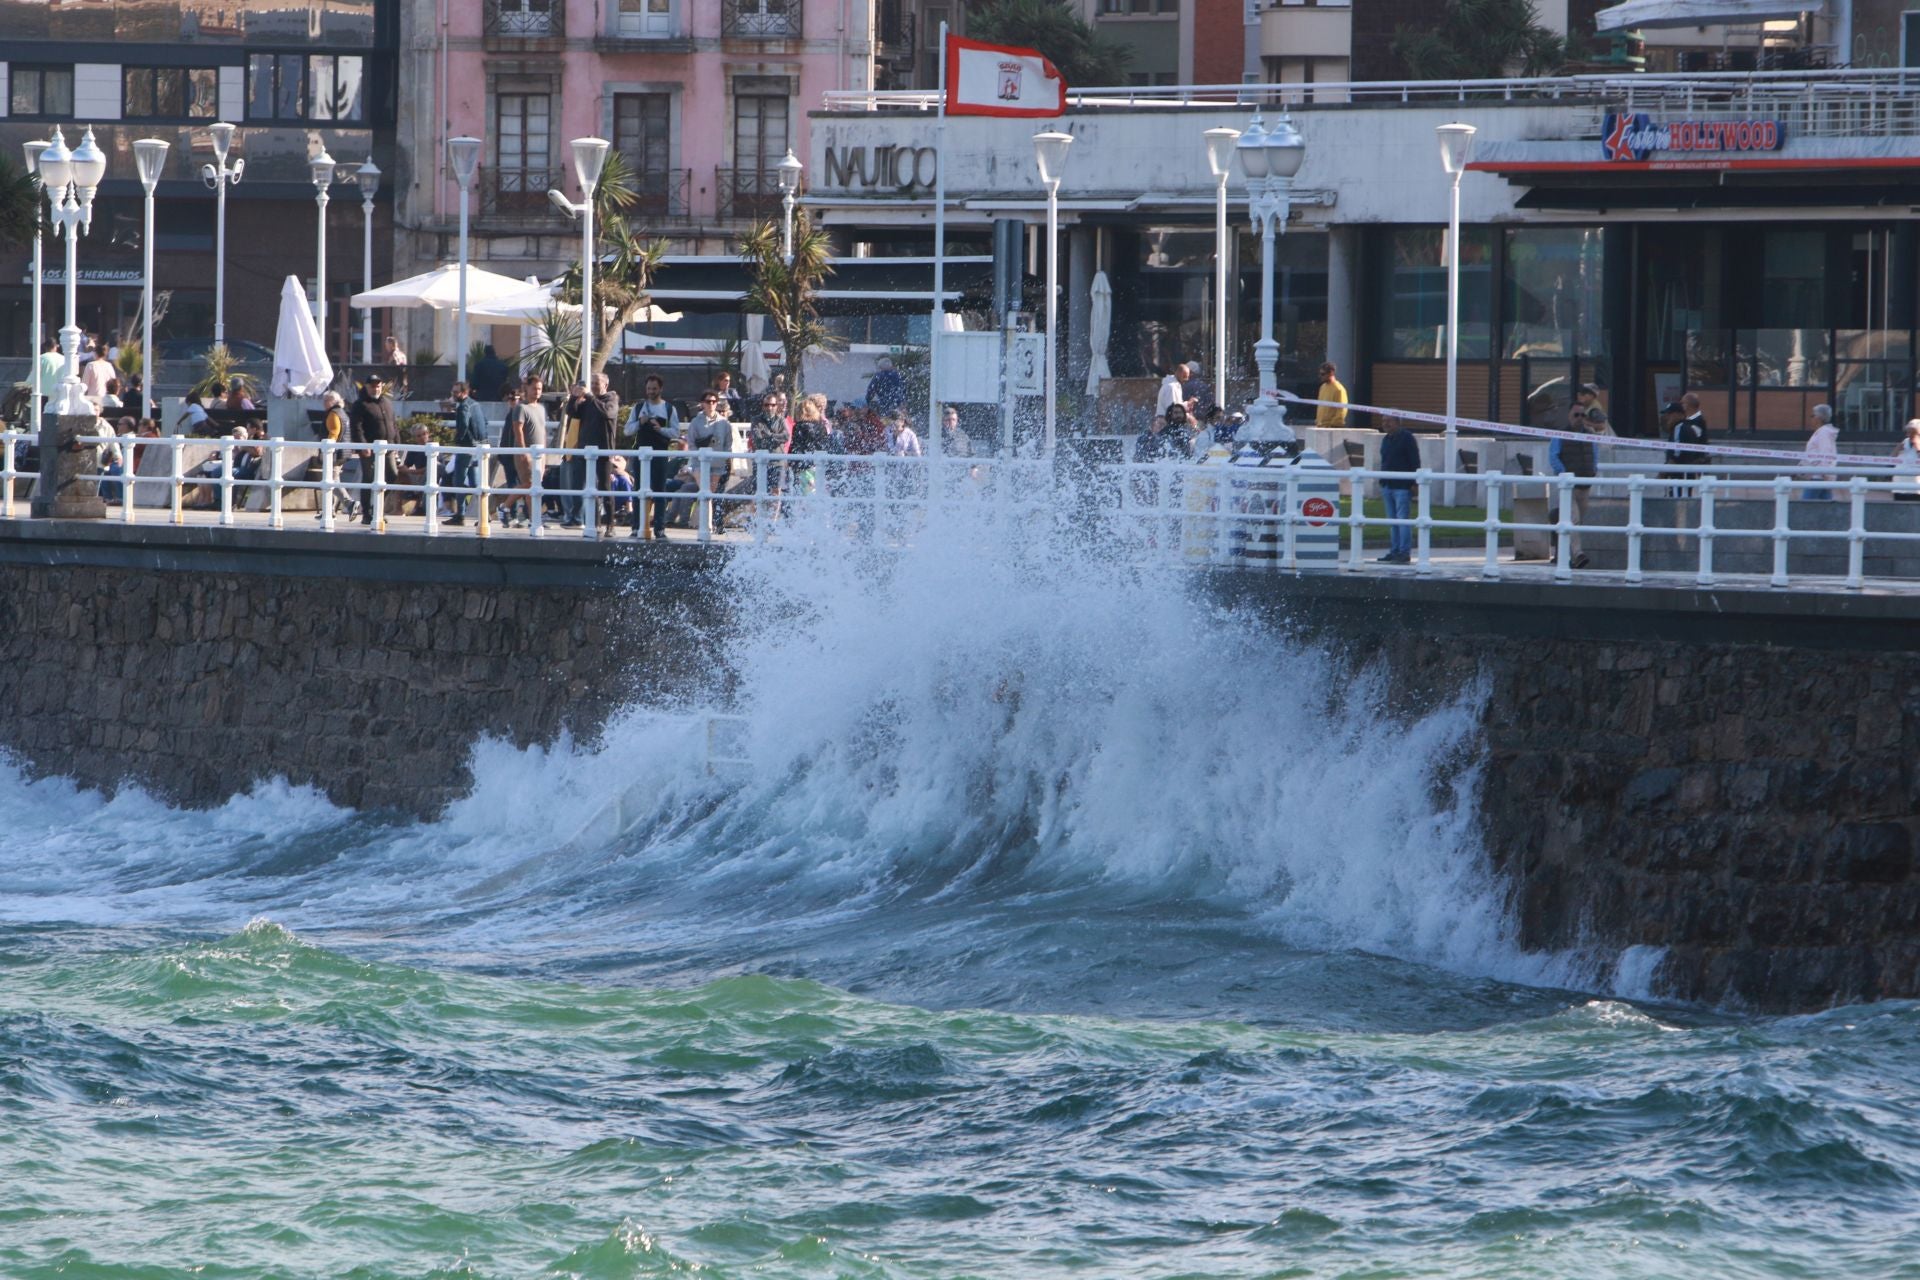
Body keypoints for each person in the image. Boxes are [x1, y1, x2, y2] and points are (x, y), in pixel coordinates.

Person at [1549, 402, 1600, 569]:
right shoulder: (1560, 435)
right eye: (1576, 415)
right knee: (1574, 520)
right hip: (1568, 486)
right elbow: (1553, 457)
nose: (1579, 418)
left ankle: (1564, 554)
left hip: (1585, 484)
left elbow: (1594, 454)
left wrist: (1593, 470)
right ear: (1569, 416)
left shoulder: (1590, 434)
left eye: (1582, 415)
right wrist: (1564, 475)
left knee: (1576, 521)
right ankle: (1578, 554)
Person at [348, 372, 397, 525]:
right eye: (372, 386)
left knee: (392, 475)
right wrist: (363, 445)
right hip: (369, 449)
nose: (375, 388)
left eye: (378, 385)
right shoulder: (360, 404)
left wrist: (396, 444)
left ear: (381, 386)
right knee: (369, 479)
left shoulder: (386, 403)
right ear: (367, 387)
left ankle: (378, 507)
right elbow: (356, 427)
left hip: (387, 448)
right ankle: (367, 514)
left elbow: (393, 424)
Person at [1376, 417, 1420, 564]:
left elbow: (1415, 460)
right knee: (1392, 521)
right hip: (1388, 484)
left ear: (1398, 423)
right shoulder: (1386, 439)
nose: (1385, 424)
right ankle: (1395, 551)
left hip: (1402, 485)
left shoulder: (1407, 438)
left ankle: (1404, 552)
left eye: (1389, 421)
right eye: (1383, 421)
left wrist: (1415, 483)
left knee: (1402, 520)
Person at [445, 380, 486, 525]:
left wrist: (456, 441)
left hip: (466, 448)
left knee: (458, 481)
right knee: (475, 482)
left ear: (464, 392)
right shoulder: (476, 404)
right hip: (478, 447)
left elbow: (463, 426)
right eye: (453, 392)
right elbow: (484, 422)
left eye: (456, 392)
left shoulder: (463, 407)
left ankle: (460, 515)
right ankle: (483, 514)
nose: (454, 395)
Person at [790, 393, 833, 496]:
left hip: (804, 465)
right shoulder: (821, 426)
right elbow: (825, 445)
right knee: (818, 493)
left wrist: (791, 461)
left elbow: (795, 446)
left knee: (805, 493)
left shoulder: (799, 426)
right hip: (818, 464)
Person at [1801, 403, 1839, 501]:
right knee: (1825, 508)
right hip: (1821, 476)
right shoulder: (1822, 432)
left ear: (1819, 418)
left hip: (1818, 476)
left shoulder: (1823, 433)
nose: (1811, 419)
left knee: (1805, 507)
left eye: (1812, 416)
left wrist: (1825, 473)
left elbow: (1825, 453)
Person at [628, 373, 680, 445]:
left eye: (654, 389)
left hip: (660, 453)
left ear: (661, 389)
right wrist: (640, 423)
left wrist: (660, 429)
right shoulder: (638, 408)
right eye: (648, 388)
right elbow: (627, 431)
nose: (651, 391)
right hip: (641, 453)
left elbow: (676, 433)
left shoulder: (669, 408)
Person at [1315, 362, 1348, 429]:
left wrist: (1333, 425)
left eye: (1323, 374)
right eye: (1320, 374)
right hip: (1321, 427)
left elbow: (1342, 410)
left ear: (1331, 373)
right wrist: (1318, 421)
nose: (1320, 376)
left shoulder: (1338, 389)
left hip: (1332, 428)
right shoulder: (1323, 387)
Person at [1896, 420, 1920, 502]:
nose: (1909, 435)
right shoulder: (1904, 442)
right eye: (1908, 432)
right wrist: (1897, 449)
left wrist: (1918, 448)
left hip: (1915, 483)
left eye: (1912, 432)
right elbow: (1892, 458)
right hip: (1900, 481)